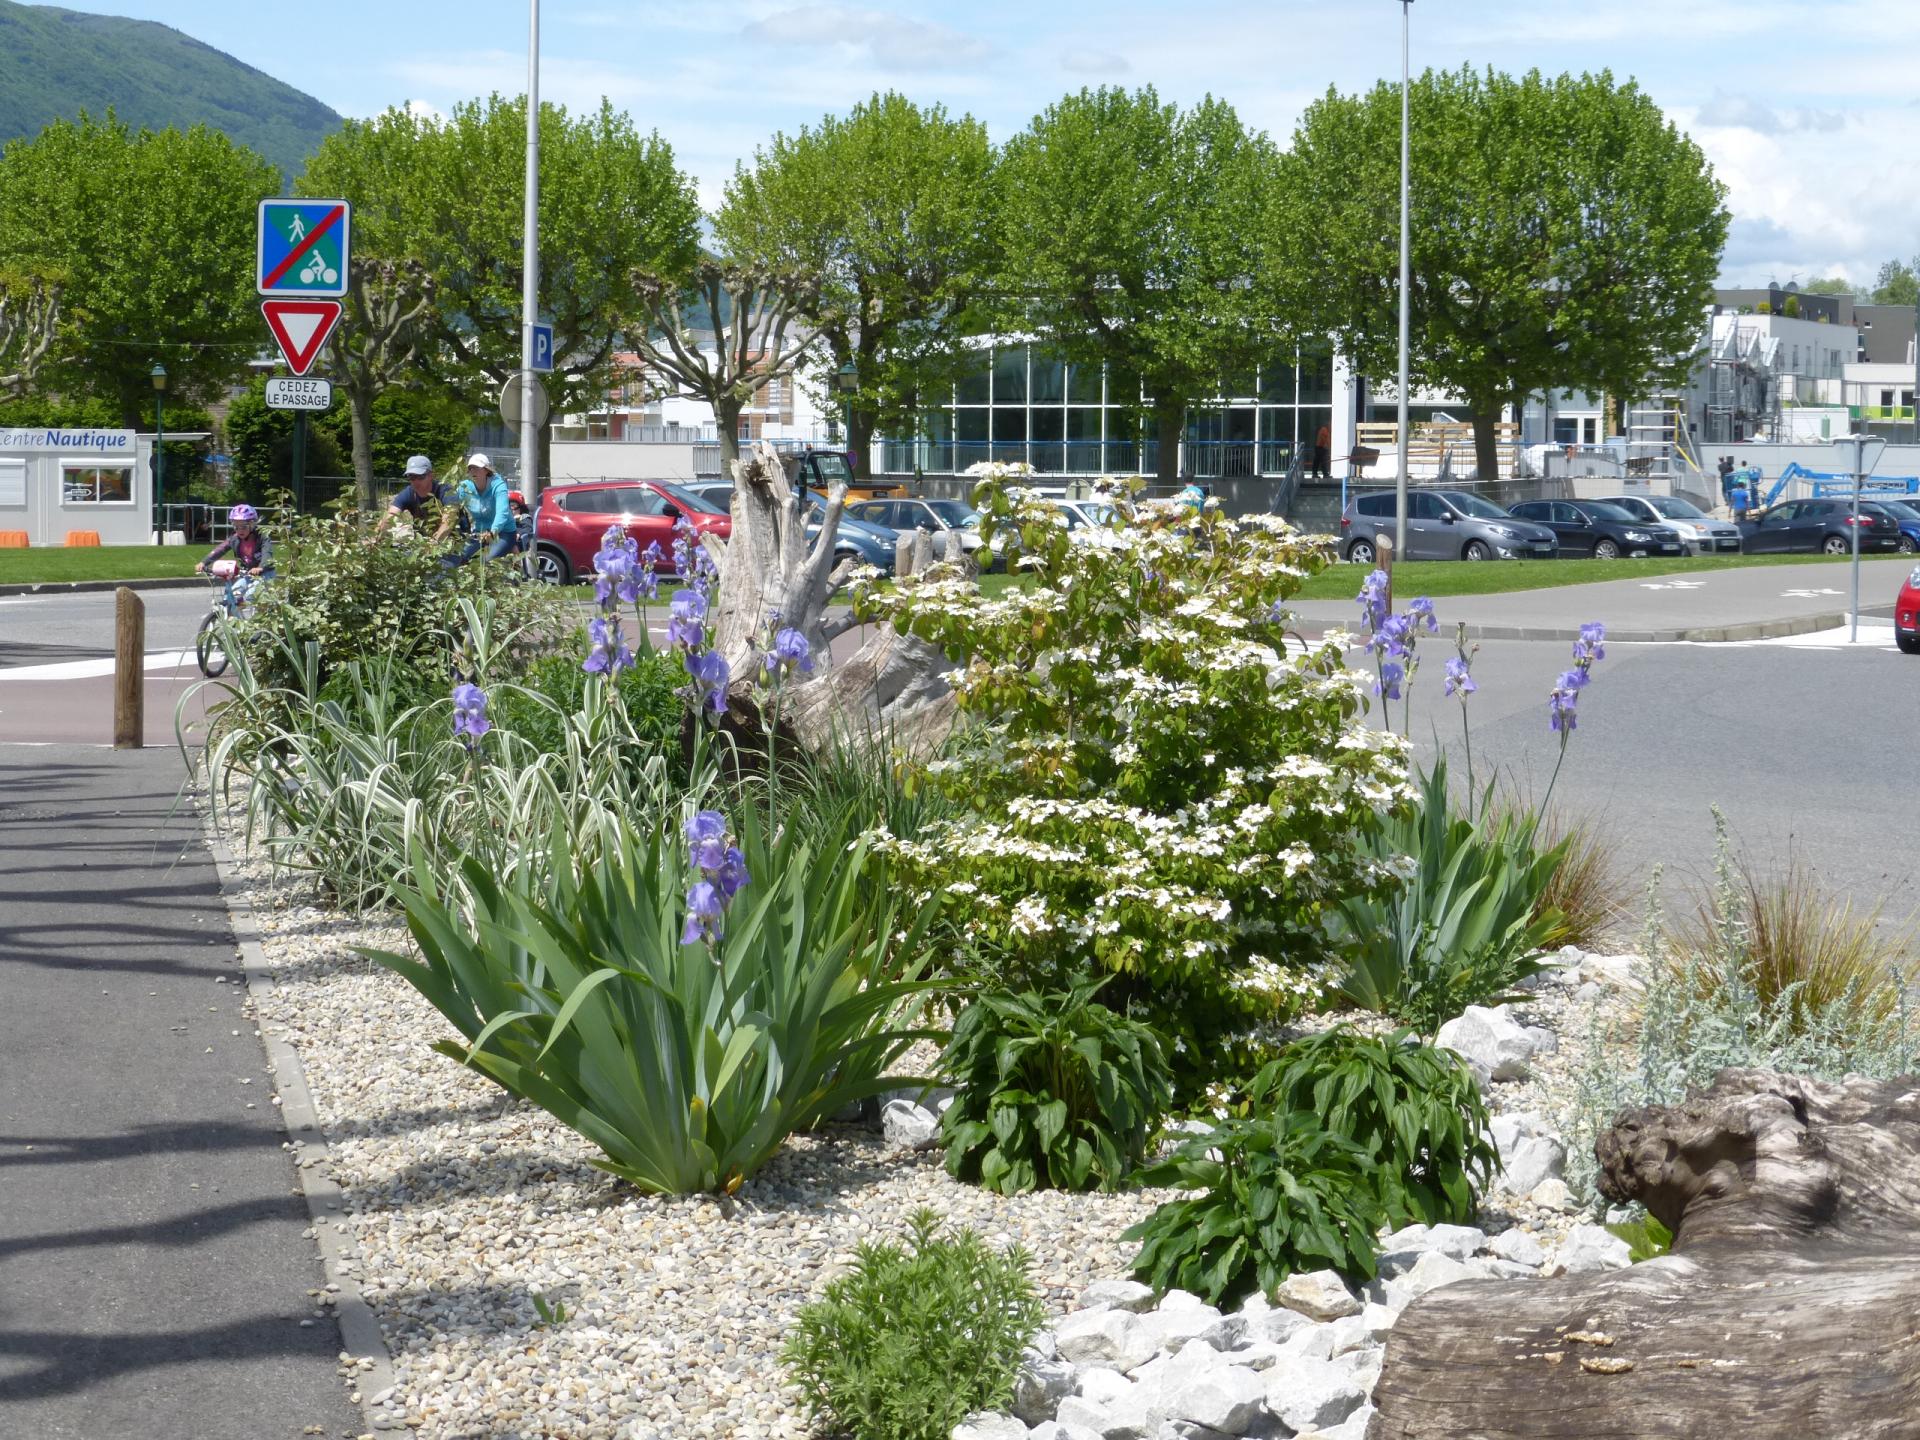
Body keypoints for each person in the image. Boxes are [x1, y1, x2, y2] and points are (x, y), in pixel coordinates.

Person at [195, 503, 273, 614]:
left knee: (251, 595)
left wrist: (260, 567)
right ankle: (235, 622)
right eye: (236, 527)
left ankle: (258, 623)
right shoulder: (235, 539)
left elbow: (267, 554)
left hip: (265, 574)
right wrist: (204, 562)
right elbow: (220, 549)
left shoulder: (262, 537)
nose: (240, 530)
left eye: (244, 527)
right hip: (247, 574)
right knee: (234, 594)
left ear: (252, 524)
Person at [444, 453, 516, 567]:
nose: (473, 471)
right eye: (470, 468)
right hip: (479, 533)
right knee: (459, 557)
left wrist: (493, 533)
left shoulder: (498, 486)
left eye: (477, 468)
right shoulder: (464, 487)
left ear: (486, 470)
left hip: (503, 533)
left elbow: (502, 513)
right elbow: (452, 505)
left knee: (487, 560)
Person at [373, 454, 454, 538]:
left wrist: (435, 544)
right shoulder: (408, 493)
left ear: (430, 476)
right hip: (424, 543)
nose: (415, 481)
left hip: (456, 542)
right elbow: (390, 515)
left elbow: (450, 517)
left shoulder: (445, 491)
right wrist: (374, 538)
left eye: (420, 477)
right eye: (411, 477)